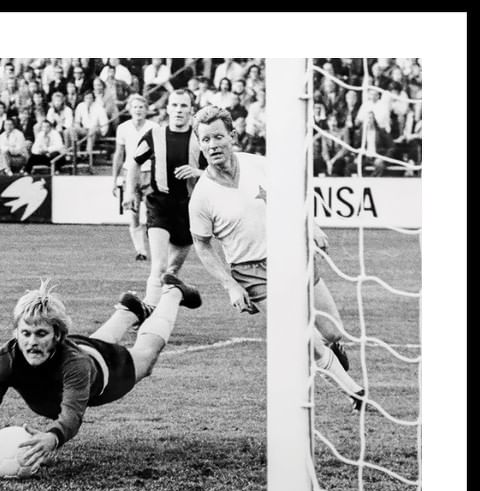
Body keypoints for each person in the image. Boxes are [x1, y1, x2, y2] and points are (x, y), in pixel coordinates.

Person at [187, 105, 363, 411]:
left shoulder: (259, 165)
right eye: (205, 139)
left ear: (233, 136)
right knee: (302, 335)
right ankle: (355, 392)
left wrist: (312, 226)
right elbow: (202, 246)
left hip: (291, 255)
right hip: (251, 272)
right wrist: (231, 285)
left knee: (332, 331)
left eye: (218, 136)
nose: (212, 144)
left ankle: (333, 349)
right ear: (199, 144)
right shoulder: (201, 197)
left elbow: (294, 197)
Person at [0, 275, 202, 469]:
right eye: (26, 334)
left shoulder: (76, 365)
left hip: (105, 371)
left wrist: (53, 437)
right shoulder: (3, 361)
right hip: (78, 351)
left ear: (57, 335)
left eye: (41, 334)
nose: (32, 342)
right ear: (16, 334)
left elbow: (72, 415)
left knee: (146, 356)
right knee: (87, 345)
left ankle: (172, 292)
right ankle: (129, 310)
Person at [123, 88, 205, 308]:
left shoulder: (200, 138)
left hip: (189, 208)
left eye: (183, 105)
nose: (178, 110)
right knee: (158, 266)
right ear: (167, 108)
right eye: (174, 105)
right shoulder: (154, 135)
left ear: (191, 110)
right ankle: (148, 308)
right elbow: (135, 162)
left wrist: (197, 172)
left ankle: (163, 310)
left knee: (172, 271)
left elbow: (218, 172)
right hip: (160, 203)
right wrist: (130, 191)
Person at [111, 94, 158, 262]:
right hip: (129, 174)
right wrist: (114, 179)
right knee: (133, 214)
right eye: (135, 107)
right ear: (130, 110)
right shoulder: (123, 128)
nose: (138, 110)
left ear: (146, 110)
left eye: (141, 107)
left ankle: (156, 250)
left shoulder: (154, 127)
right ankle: (141, 251)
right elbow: (119, 154)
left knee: (154, 214)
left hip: (149, 173)